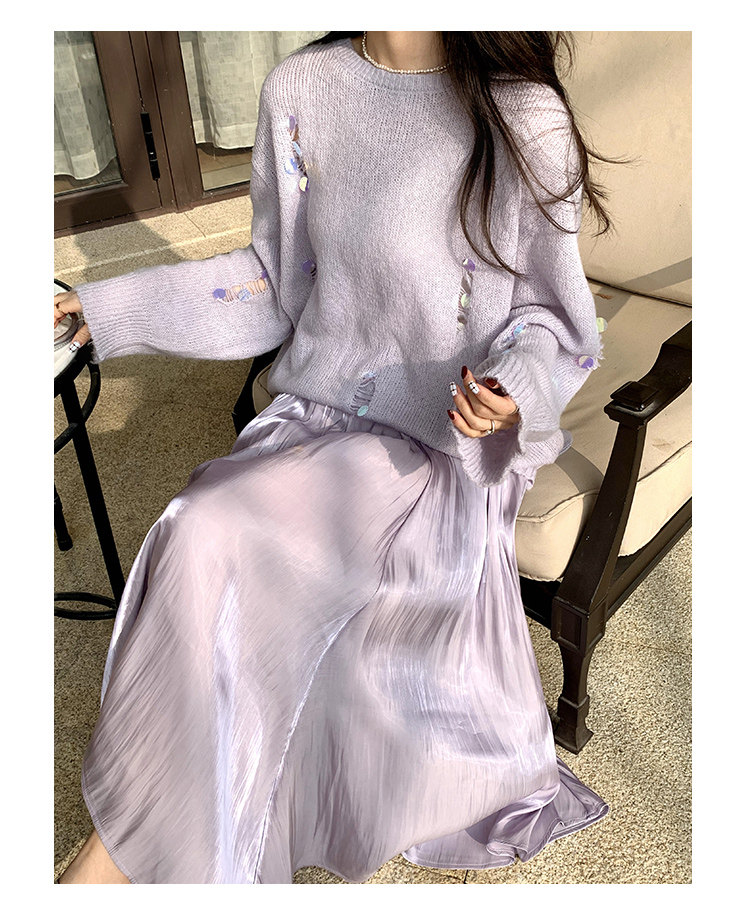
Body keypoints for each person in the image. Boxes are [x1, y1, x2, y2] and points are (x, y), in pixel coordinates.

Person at [54, 31, 612, 885]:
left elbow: (555, 320)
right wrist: (106, 308)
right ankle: (149, 836)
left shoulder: (521, 114)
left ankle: (111, 866)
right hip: (316, 417)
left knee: (219, 532)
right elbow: (275, 281)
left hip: (443, 447)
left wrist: (515, 389)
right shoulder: (301, 88)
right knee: (197, 531)